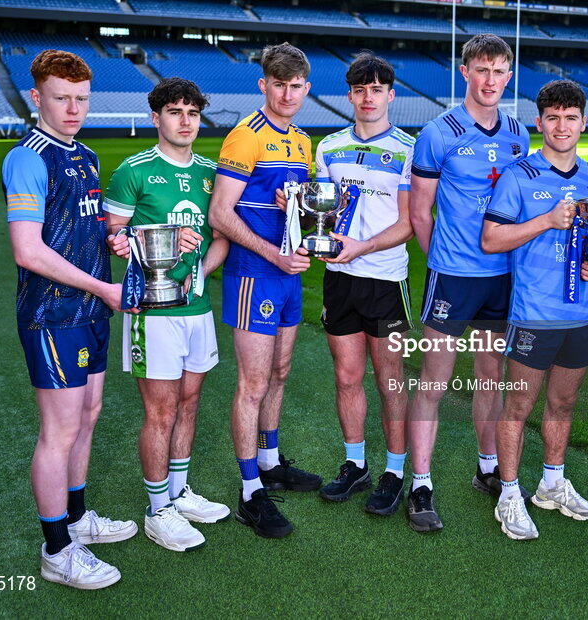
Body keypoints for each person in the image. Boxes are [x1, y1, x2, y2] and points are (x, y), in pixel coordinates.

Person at [3, 49, 137, 589]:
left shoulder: (84, 155)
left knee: (88, 416)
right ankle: (57, 551)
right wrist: (103, 286)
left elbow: (82, 226)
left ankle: (78, 520)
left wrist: (113, 240)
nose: (73, 108)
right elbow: (28, 251)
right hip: (51, 313)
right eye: (62, 98)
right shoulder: (28, 158)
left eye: (81, 98)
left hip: (90, 309)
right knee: (58, 431)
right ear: (37, 97)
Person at [406, 33, 530, 532]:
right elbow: (419, 212)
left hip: (502, 279)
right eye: (482, 69)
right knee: (434, 381)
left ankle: (487, 469)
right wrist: (444, 260)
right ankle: (420, 485)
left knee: (490, 378)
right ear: (465, 72)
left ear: (509, 76)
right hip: (454, 278)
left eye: (500, 71)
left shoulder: (520, 132)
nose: (491, 80)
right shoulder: (438, 132)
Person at [103, 78, 231, 552]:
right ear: (156, 117)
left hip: (196, 308)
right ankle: (158, 510)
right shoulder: (133, 171)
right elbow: (112, 239)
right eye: (175, 112)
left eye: (193, 113)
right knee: (160, 410)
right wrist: (149, 242)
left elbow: (221, 235)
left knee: (190, 403)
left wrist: (198, 272)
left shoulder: (208, 172)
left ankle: (179, 494)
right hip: (151, 312)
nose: (185, 121)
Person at [480, 79, 588, 540]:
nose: (561, 126)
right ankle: (509, 494)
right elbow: (491, 240)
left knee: (564, 402)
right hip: (532, 313)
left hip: (581, 314)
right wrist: (547, 220)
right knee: (518, 406)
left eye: (571, 117)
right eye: (552, 117)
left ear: (584, 123)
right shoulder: (519, 175)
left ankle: (552, 483)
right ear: (539, 122)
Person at [209, 42, 322, 539]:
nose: (288, 94)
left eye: (296, 86)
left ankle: (271, 461)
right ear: (264, 85)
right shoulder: (245, 137)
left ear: (306, 88)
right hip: (255, 274)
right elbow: (220, 214)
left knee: (280, 371)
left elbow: (292, 210)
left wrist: (295, 211)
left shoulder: (301, 140)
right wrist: (273, 254)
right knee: (252, 384)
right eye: (279, 84)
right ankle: (250, 492)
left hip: (288, 273)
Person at [312, 52, 414, 515]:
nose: (368, 97)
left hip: (385, 279)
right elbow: (323, 212)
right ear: (350, 95)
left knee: (390, 379)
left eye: (377, 89)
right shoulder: (328, 147)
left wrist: (363, 247)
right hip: (340, 279)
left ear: (391, 95)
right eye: (360, 89)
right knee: (347, 377)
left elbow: (411, 223)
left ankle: (395, 471)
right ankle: (356, 464)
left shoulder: (408, 151)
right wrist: (300, 211)